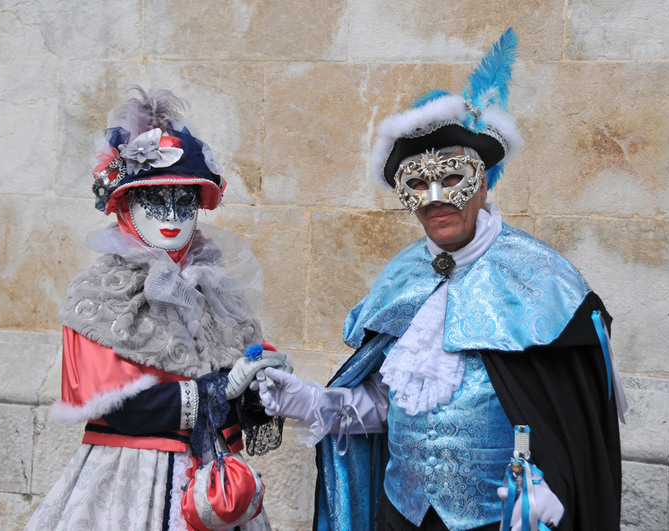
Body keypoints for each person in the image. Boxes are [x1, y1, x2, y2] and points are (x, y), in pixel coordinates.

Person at [257, 29, 626, 530]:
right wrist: (307, 401)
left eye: (452, 179)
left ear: (483, 182)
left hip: (499, 518)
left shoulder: (540, 280)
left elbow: (566, 419)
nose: (435, 198)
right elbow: (388, 407)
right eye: (417, 185)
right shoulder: (402, 278)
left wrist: (554, 489)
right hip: (403, 513)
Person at [26, 87, 288, 530]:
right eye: (154, 198)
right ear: (124, 205)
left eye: (185, 201)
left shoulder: (219, 290)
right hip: (133, 478)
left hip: (219, 487)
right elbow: (118, 405)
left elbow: (244, 389)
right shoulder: (100, 294)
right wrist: (219, 390)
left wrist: (262, 384)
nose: (171, 215)